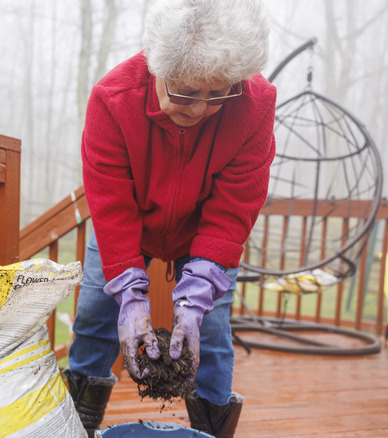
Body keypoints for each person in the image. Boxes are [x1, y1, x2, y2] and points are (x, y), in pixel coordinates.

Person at [63, 0, 275, 437]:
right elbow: (111, 203)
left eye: (218, 94)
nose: (199, 109)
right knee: (93, 317)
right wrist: (130, 293)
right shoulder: (112, 99)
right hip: (126, 226)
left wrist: (198, 292)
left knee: (212, 332)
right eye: (185, 92)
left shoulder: (255, 103)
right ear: (158, 67)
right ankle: (77, 426)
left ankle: (211, 429)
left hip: (204, 236)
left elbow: (235, 205)